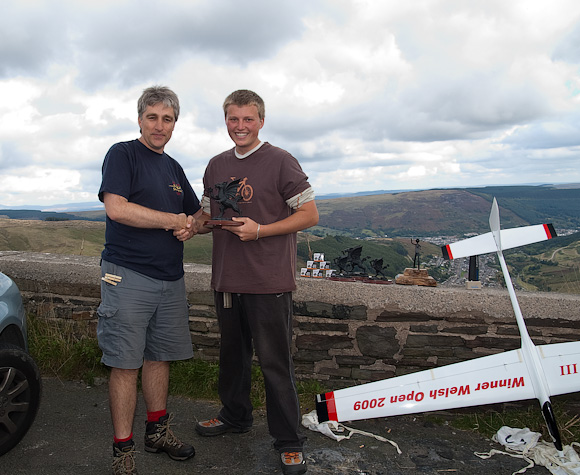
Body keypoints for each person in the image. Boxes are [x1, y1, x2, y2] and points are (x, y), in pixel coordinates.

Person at [193, 89, 319, 475]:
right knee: (232, 358)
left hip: (269, 281)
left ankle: (289, 441)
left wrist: (261, 230)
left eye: (248, 119)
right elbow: (205, 212)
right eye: (234, 119)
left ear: (261, 121)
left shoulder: (281, 161)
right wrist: (192, 226)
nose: (241, 126)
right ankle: (235, 417)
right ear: (226, 120)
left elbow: (310, 214)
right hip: (227, 280)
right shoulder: (215, 166)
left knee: (274, 364)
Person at [97, 86, 200, 474]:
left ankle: (157, 432)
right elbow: (117, 208)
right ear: (139, 119)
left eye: (168, 119)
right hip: (128, 276)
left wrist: (195, 225)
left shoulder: (173, 167)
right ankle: (122, 452)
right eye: (153, 117)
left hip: (170, 280)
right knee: (125, 363)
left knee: (159, 357)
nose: (160, 126)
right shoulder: (122, 154)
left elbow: (194, 215)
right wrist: (173, 220)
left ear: (175, 124)